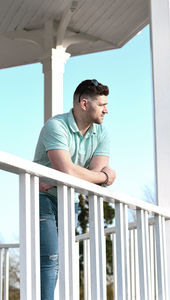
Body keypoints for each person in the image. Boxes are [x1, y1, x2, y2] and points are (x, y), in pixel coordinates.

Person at [33, 79, 116, 300]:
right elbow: (72, 172)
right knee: (50, 258)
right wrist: (105, 176)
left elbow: (92, 176)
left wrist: (99, 177)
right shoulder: (56, 126)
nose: (106, 110)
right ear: (84, 103)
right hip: (43, 197)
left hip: (70, 200)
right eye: (101, 105)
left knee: (65, 259)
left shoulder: (102, 133)